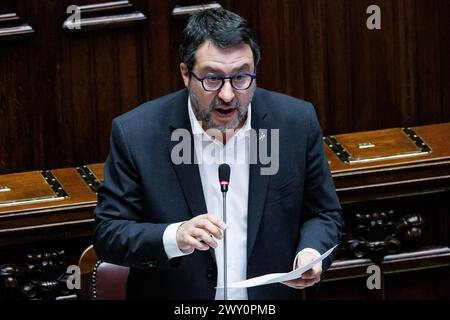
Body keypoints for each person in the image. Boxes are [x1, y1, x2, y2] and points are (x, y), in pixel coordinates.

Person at [94, 7, 343, 300]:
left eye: (241, 78)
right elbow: (109, 234)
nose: (227, 95)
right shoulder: (138, 134)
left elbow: (323, 213)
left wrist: (311, 254)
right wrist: (175, 236)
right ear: (186, 74)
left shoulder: (293, 123)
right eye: (212, 79)